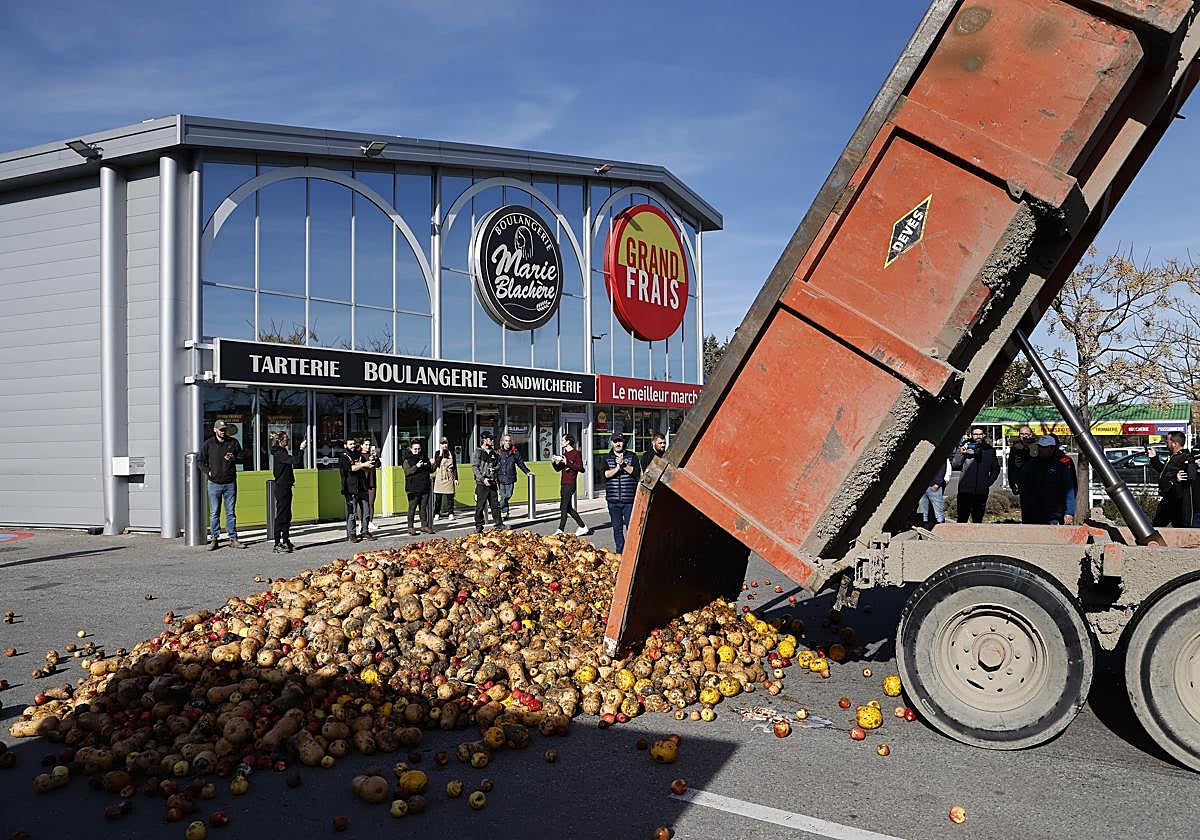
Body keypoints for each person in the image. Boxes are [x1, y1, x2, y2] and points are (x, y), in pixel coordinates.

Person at [199, 419, 245, 550]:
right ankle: (214, 538)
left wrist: (234, 458)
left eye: (224, 429)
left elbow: (242, 457)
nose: (223, 432)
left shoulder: (233, 442)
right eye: (220, 429)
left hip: (230, 482)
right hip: (214, 483)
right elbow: (200, 461)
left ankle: (233, 538)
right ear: (215, 430)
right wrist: (208, 472)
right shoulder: (208, 444)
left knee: (230, 512)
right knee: (214, 512)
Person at [1017, 436, 1077, 525]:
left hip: (1053, 516)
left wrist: (1069, 512)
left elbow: (1069, 490)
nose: (1041, 449)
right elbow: (1021, 482)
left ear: (1052, 448)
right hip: (1032, 514)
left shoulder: (1061, 467)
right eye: (1040, 446)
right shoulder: (1030, 465)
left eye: (1044, 447)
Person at [951, 427, 1000, 523]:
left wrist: (988, 482)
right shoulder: (965, 446)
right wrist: (961, 453)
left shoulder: (989, 450)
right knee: (962, 519)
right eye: (975, 434)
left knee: (978, 519)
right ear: (971, 435)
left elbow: (995, 469)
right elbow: (955, 464)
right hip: (965, 490)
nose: (978, 436)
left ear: (983, 435)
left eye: (980, 434)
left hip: (981, 491)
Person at [1148, 432, 1197, 527]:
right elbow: (1164, 472)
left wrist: (1176, 479)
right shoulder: (1173, 457)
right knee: (1157, 526)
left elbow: (1188, 478)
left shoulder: (1185, 458)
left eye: (1168, 441)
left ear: (1175, 444)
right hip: (1168, 499)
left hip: (1177, 501)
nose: (1166, 444)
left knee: (1180, 528)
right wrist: (1154, 458)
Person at [269, 431, 306, 553]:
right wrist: (301, 449)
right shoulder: (279, 453)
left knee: (287, 514)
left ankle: (285, 539)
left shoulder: (282, 452)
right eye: (286, 439)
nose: (288, 441)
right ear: (280, 440)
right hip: (281, 487)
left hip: (287, 486)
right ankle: (277, 542)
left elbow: (295, 462)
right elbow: (295, 461)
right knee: (281, 514)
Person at [603, 434, 640, 553]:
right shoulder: (607, 457)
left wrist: (624, 464)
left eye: (620, 441)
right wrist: (617, 468)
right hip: (613, 501)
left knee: (631, 528)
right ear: (611, 443)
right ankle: (620, 552)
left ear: (624, 442)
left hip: (629, 500)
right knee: (617, 528)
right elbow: (605, 475)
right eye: (615, 441)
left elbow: (636, 474)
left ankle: (632, 552)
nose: (618, 444)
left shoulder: (632, 456)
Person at [553, 433, 590, 536]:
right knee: (567, 507)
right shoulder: (564, 454)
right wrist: (554, 462)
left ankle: (560, 529)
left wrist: (568, 462)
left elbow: (581, 468)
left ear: (568, 441)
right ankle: (583, 526)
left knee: (563, 506)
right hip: (563, 483)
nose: (561, 442)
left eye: (563, 440)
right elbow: (558, 469)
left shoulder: (576, 453)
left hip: (570, 483)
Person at [338, 438, 371, 543]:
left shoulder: (358, 454)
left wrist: (372, 461)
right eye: (350, 444)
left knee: (366, 511)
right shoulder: (343, 456)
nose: (352, 446)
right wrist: (361, 465)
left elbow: (368, 465)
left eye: (353, 444)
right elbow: (350, 469)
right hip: (350, 488)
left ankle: (365, 532)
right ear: (345, 445)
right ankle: (351, 534)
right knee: (351, 513)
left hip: (362, 486)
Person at [472, 431, 503, 533]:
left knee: (495, 505)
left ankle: (499, 524)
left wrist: (495, 469)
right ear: (484, 440)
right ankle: (479, 525)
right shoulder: (478, 452)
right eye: (490, 439)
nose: (492, 440)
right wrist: (482, 479)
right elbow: (475, 467)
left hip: (492, 482)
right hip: (482, 483)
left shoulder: (494, 452)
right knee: (480, 505)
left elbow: (498, 464)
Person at [403, 439, 434, 535]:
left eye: (419, 449)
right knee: (412, 507)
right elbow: (407, 472)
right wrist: (417, 466)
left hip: (424, 486)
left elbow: (431, 470)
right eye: (415, 449)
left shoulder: (424, 457)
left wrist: (432, 463)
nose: (417, 451)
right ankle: (410, 527)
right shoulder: (407, 459)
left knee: (423, 508)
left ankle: (424, 526)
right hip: (413, 488)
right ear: (411, 449)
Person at [496, 434, 531, 520]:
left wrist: (527, 471)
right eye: (506, 441)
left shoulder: (514, 452)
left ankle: (498, 507)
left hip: (510, 477)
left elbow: (520, 463)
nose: (508, 443)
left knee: (508, 495)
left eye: (509, 441)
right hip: (500, 477)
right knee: (503, 495)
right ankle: (505, 512)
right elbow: (494, 464)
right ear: (503, 442)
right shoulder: (498, 452)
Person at [917, 457, 951, 527]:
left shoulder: (940, 454)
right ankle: (926, 529)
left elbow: (943, 467)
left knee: (938, 512)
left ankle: (941, 530)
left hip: (934, 486)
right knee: (924, 512)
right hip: (923, 485)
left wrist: (937, 483)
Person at [432, 438, 458, 520]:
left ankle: (451, 513)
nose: (444, 445)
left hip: (449, 476)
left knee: (450, 497)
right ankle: (436, 513)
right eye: (442, 443)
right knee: (438, 497)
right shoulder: (437, 453)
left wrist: (456, 478)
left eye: (445, 443)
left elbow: (454, 467)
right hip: (440, 476)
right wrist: (440, 453)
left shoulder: (452, 453)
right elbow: (437, 464)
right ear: (440, 444)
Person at [1007, 425, 1037, 495]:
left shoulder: (1036, 447)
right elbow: (1011, 466)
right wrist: (1012, 484)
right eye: (1022, 434)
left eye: (1026, 434)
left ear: (1030, 435)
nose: (1024, 436)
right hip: (1021, 483)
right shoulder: (1015, 448)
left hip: (1035, 483)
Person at [362, 442, 380, 533]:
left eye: (369, 445)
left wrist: (376, 458)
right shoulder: (359, 455)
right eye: (366, 444)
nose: (368, 446)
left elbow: (378, 465)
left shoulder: (372, 455)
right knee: (362, 504)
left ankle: (370, 521)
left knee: (371, 502)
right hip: (363, 481)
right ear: (361, 445)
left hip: (372, 481)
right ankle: (361, 522)